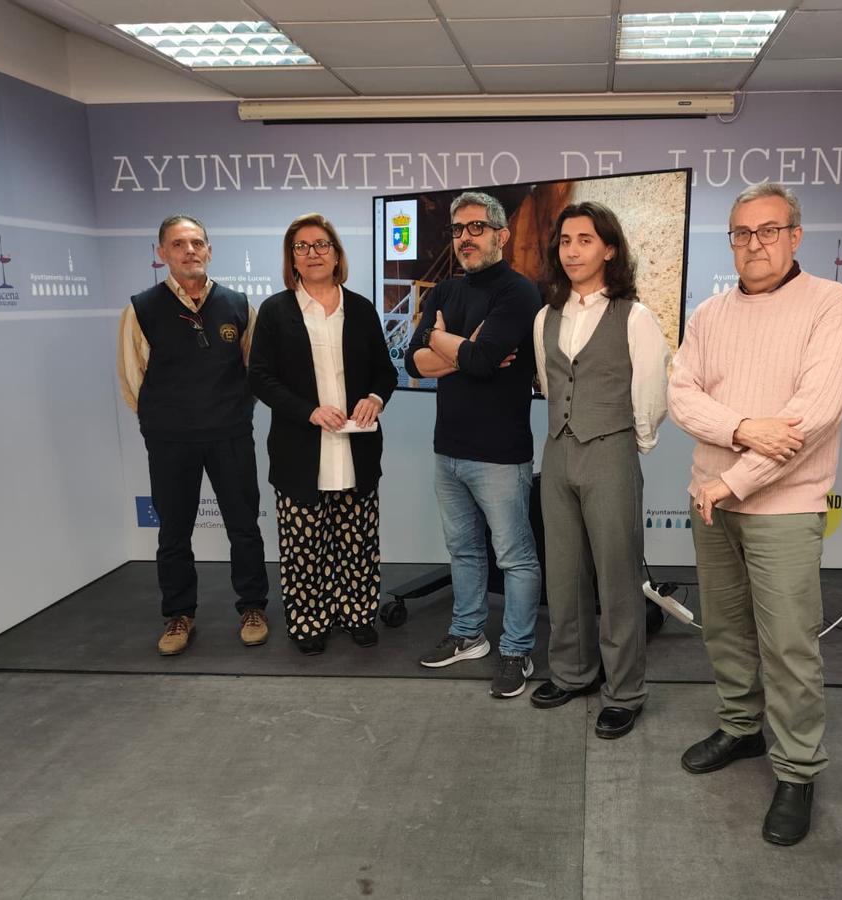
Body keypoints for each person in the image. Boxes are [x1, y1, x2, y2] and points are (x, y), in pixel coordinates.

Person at [667, 183, 842, 845]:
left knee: (789, 644)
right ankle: (740, 727)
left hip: (784, 505)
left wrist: (736, 479)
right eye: (742, 232)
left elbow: (813, 416)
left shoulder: (831, 304)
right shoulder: (709, 314)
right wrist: (744, 428)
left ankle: (798, 769)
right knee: (725, 628)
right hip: (711, 500)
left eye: (769, 230)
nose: (755, 243)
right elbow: (681, 396)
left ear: (795, 236)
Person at [528, 202, 670, 740]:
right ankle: (572, 672)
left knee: (617, 577)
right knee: (563, 573)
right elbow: (550, 383)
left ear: (609, 249)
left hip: (610, 449)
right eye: (565, 241)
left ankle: (625, 690)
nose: (572, 250)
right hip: (557, 452)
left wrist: (634, 443)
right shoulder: (545, 317)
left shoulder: (634, 316)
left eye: (584, 240)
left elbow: (651, 390)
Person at [405, 190, 543, 699]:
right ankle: (468, 635)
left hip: (501, 453)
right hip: (448, 449)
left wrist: (442, 343)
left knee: (515, 557)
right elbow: (412, 361)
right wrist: (463, 349)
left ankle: (517, 649)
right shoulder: (444, 290)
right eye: (458, 229)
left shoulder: (520, 293)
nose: (465, 237)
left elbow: (482, 362)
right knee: (463, 551)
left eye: (476, 227)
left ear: (501, 235)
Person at [118, 214, 269, 656]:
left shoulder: (238, 305)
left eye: (197, 243)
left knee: (244, 527)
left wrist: (233, 412)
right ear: (161, 253)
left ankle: (253, 608)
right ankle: (179, 615)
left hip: (230, 434)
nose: (190, 251)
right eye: (178, 244)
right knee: (174, 532)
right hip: (170, 440)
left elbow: (255, 370)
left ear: (209, 250)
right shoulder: (141, 309)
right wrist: (165, 421)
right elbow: (132, 381)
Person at [248, 214, 397, 655]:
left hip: (357, 448)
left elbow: (385, 371)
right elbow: (260, 378)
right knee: (304, 548)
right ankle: (309, 621)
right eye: (302, 247)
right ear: (292, 259)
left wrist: (375, 398)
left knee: (358, 542)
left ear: (336, 254)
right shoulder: (275, 311)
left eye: (321, 245)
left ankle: (358, 615)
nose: (312, 253)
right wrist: (308, 411)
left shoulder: (361, 309)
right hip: (300, 450)